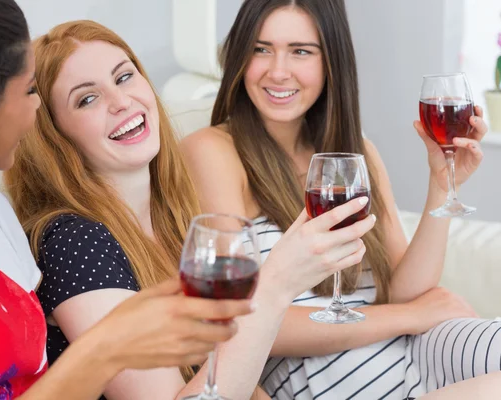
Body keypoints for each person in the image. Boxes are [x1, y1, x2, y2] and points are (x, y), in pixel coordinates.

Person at [0, 1, 257, 398]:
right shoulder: (68, 239)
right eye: (30, 90)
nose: (36, 110)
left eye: (125, 77)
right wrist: (108, 346)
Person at [5, 19, 376, 400]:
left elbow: (231, 372)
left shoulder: (175, 218)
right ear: (54, 136)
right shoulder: (73, 240)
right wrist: (274, 286)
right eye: (87, 99)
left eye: (124, 77)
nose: (120, 102)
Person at [181, 0, 501, 399]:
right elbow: (241, 316)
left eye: (301, 51)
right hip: (338, 383)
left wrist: (441, 183)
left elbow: (405, 288)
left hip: (419, 355)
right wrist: (408, 317)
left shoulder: (356, 152)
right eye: (261, 49)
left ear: (331, 60)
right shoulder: (213, 151)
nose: (277, 71)